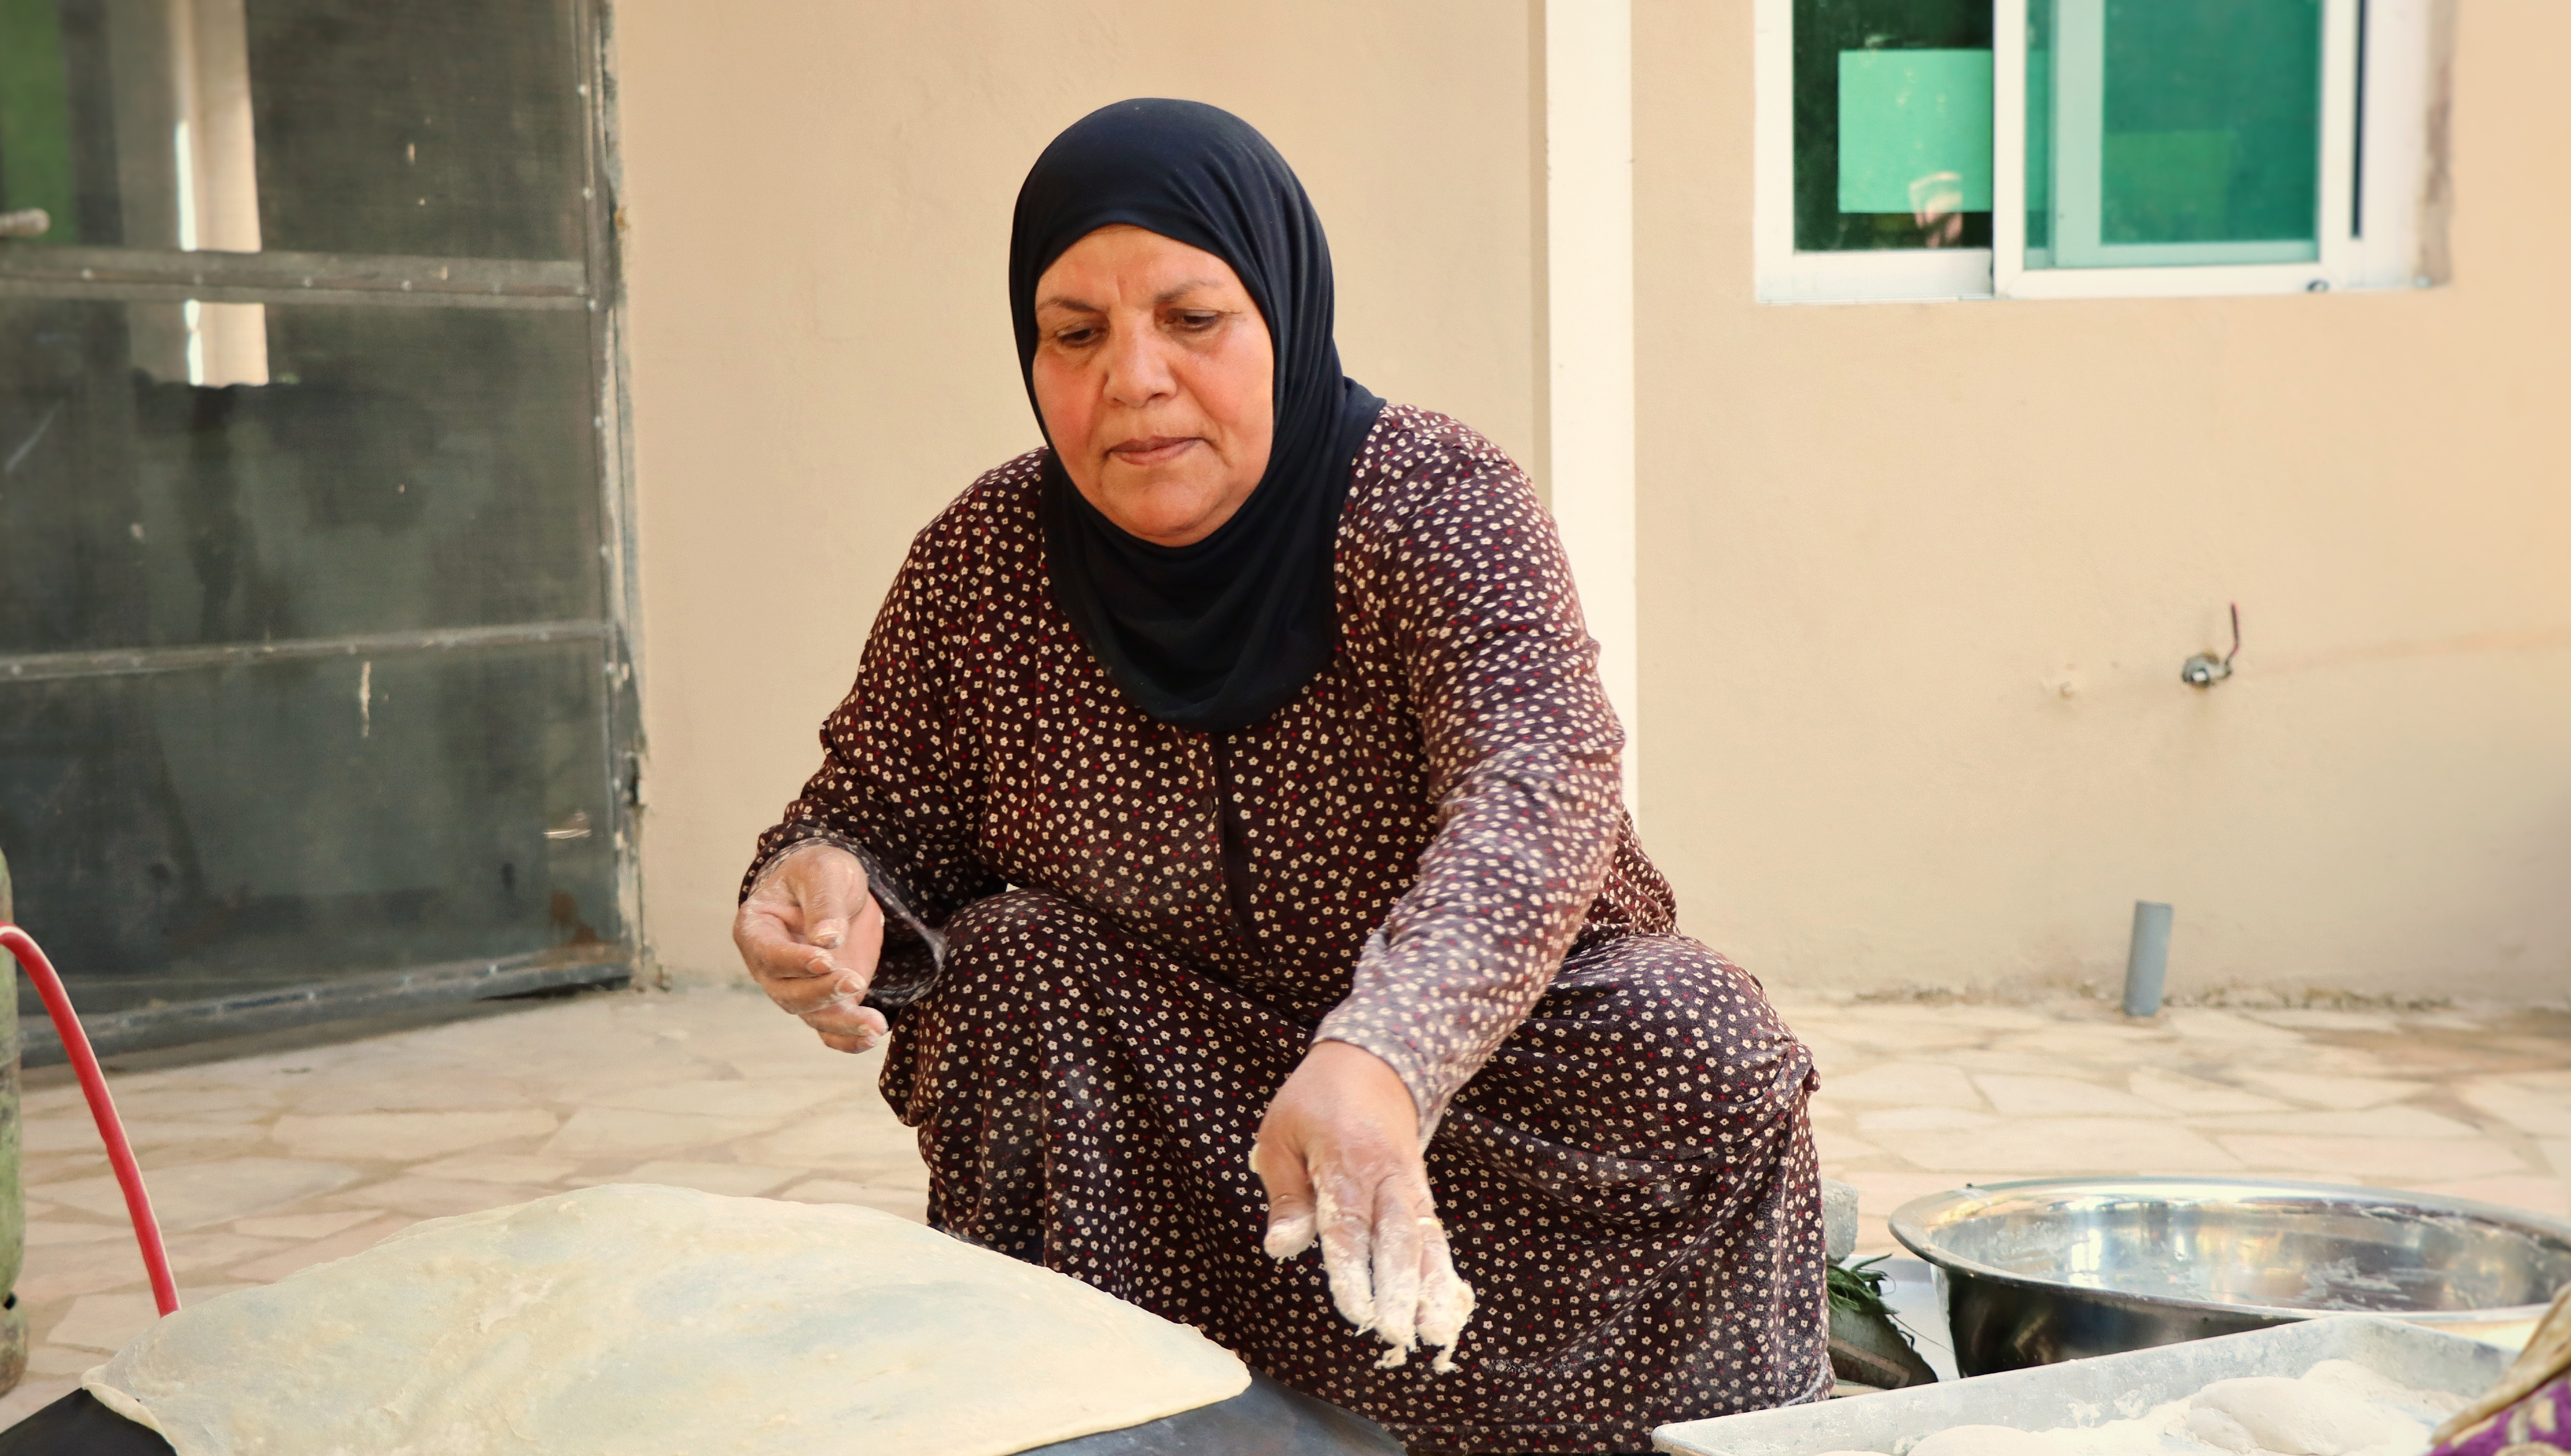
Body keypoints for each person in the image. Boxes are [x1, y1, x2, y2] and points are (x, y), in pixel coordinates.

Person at [731, 98, 1828, 1455]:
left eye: (1192, 320)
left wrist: (1385, 1056)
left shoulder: (1431, 500)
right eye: (1075, 334)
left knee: (1694, 1031)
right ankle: (1119, 1420)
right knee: (1011, 968)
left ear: (1284, 316)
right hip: (1171, 1114)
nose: (1131, 378)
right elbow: (870, 811)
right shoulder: (985, 560)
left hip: (1473, 1085)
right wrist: (823, 881)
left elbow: (1537, 786)